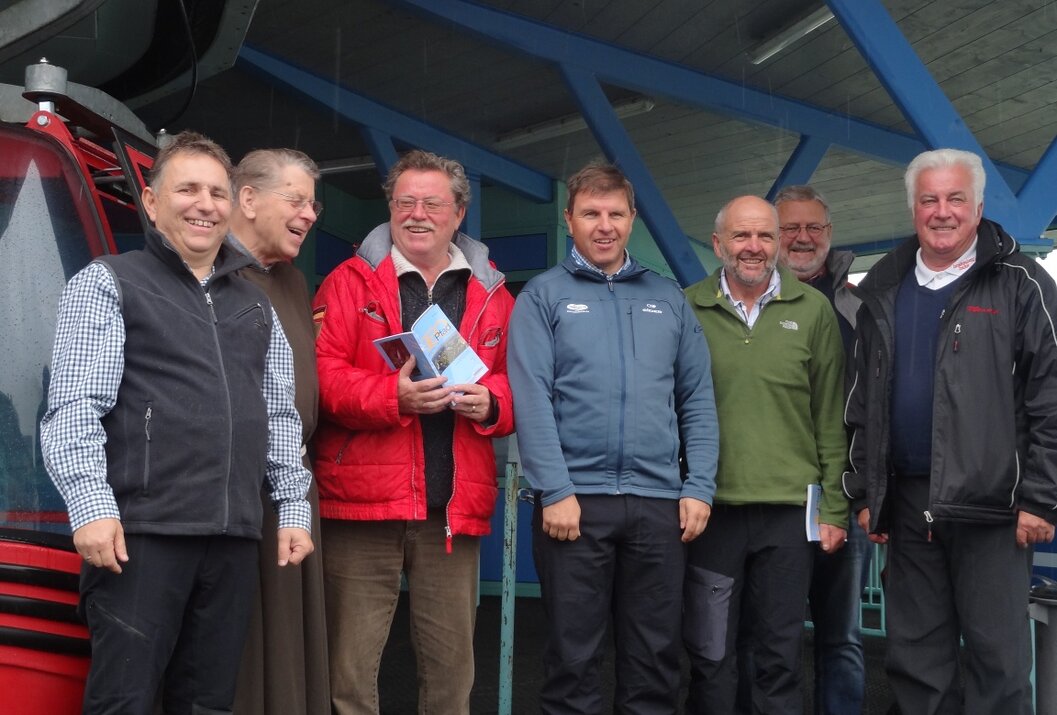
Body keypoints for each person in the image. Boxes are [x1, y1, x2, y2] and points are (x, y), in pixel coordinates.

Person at [40, 130, 314, 714]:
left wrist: (292, 507)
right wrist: (90, 505)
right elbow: (75, 405)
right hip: (139, 535)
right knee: (123, 702)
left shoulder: (256, 306)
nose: (204, 204)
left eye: (217, 192)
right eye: (187, 189)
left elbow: (278, 414)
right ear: (151, 201)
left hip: (232, 538)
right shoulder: (108, 282)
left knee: (207, 705)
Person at [845, 148, 1057, 714]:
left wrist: (1042, 497)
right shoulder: (882, 290)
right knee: (916, 660)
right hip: (909, 505)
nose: (943, 211)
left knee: (998, 662)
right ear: (913, 209)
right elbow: (861, 401)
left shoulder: (1022, 284)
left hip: (996, 509)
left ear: (979, 207)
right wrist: (866, 494)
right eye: (930, 199)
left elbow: (1051, 397)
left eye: (956, 198)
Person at [508, 162, 719, 713]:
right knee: (573, 661)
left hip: (659, 505)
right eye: (591, 214)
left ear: (632, 218)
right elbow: (531, 398)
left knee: (655, 660)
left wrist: (699, 486)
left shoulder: (667, 297)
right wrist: (554, 490)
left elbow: (697, 398)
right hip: (574, 504)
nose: (604, 226)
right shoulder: (543, 296)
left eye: (616, 214)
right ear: (569, 219)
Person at [313, 149, 515, 715]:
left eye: (432, 203)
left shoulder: (494, 294)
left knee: (452, 677)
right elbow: (319, 376)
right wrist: (391, 397)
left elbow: (520, 383)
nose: (417, 214)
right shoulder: (347, 282)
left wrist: (492, 402)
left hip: (450, 509)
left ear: (459, 213)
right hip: (362, 505)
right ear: (390, 208)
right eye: (405, 202)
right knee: (349, 674)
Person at [683, 195, 848, 714]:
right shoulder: (686, 308)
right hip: (710, 514)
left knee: (780, 657)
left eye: (764, 236)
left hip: (789, 517)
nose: (753, 247)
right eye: (741, 235)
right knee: (711, 654)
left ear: (776, 243)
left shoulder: (814, 310)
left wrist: (834, 509)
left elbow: (830, 417)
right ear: (718, 244)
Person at [228, 148, 330, 715]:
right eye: (296, 200)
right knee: (239, 649)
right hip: (232, 488)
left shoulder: (292, 282)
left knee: (289, 645)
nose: (309, 214)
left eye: (313, 205)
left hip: (290, 490)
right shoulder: (212, 273)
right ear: (247, 199)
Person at [775, 185, 867, 714]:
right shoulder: (747, 303)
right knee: (769, 633)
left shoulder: (860, 308)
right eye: (790, 227)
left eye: (813, 227)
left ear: (829, 234)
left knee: (842, 638)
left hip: (843, 496)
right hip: (774, 498)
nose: (802, 237)